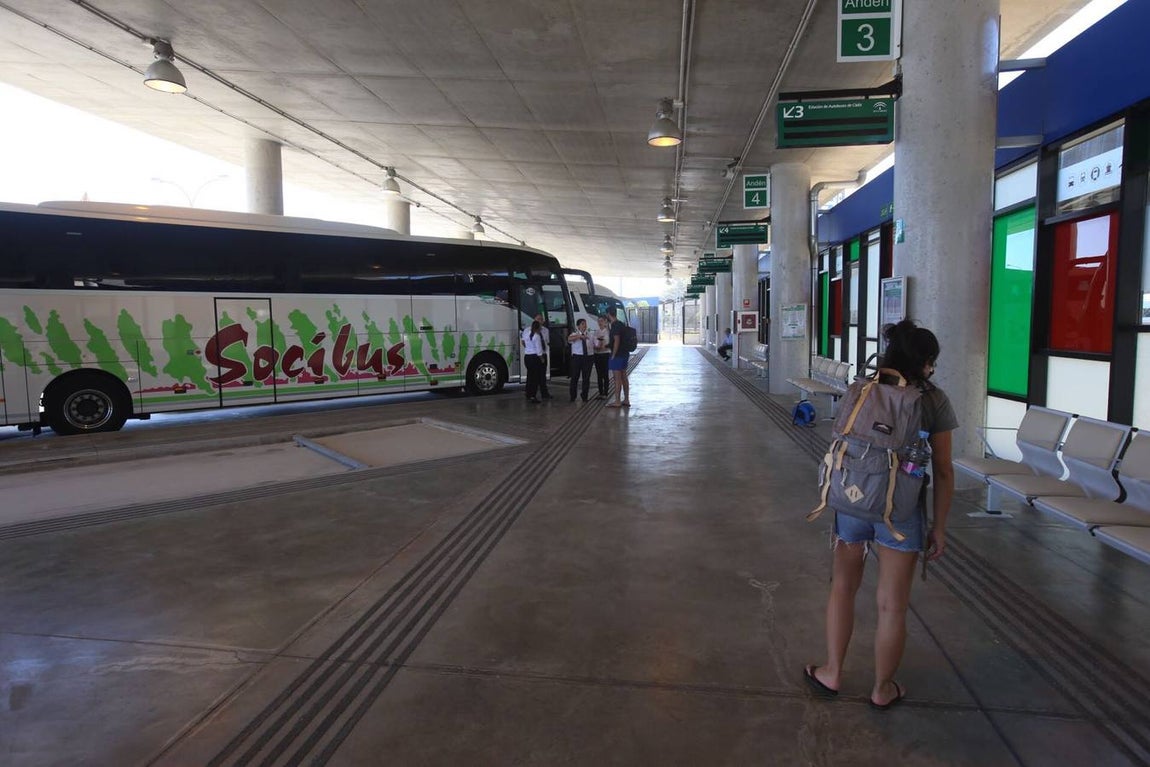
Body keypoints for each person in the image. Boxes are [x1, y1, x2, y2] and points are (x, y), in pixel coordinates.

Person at [803, 320, 957, 710]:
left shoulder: (863, 388)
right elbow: (942, 469)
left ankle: (832, 673)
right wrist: (939, 526)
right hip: (900, 512)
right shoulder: (932, 400)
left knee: (843, 588)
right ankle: (882, 688)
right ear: (924, 362)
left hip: (851, 501)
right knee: (892, 605)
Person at [604, 307, 630, 408]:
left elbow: (617, 340)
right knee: (624, 377)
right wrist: (607, 328)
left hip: (618, 355)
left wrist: (613, 355)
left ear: (608, 314)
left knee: (617, 379)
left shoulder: (615, 326)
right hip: (624, 354)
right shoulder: (620, 324)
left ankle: (617, 401)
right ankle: (626, 399)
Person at [567, 318, 594, 402]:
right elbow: (569, 339)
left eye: (585, 324)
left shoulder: (590, 334)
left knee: (586, 378)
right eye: (582, 324)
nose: (584, 325)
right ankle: (573, 396)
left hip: (588, 357)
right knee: (575, 377)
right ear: (578, 326)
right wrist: (580, 336)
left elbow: (594, 345)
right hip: (577, 358)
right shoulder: (574, 334)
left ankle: (584, 396)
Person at [520, 319, 546, 403]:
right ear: (538, 328)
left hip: (527, 357)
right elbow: (539, 350)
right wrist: (542, 359)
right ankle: (533, 396)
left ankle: (528, 393)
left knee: (530, 376)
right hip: (535, 358)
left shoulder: (527, 333)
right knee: (535, 378)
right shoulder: (537, 336)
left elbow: (523, 342)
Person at [533, 313, 553, 400]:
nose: (539, 321)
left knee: (543, 375)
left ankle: (544, 393)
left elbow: (547, 342)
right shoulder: (529, 330)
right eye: (538, 319)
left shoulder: (546, 330)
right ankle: (532, 393)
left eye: (541, 319)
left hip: (543, 354)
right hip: (535, 355)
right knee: (534, 375)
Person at [592, 315, 611, 399]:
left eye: (601, 321)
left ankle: (606, 392)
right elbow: (593, 342)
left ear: (605, 322)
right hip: (597, 354)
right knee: (599, 374)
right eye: (598, 321)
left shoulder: (609, 332)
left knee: (605, 374)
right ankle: (600, 393)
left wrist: (605, 346)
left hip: (606, 354)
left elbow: (611, 343)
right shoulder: (596, 332)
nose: (600, 323)